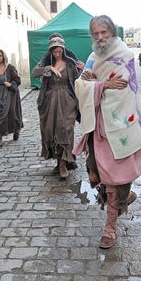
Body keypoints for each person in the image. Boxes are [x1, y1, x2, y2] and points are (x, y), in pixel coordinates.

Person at [74, 15, 141, 249]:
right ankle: (124, 199)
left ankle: (110, 228)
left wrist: (97, 83)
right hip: (98, 126)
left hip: (120, 125)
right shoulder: (93, 58)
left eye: (103, 32)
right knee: (96, 176)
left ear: (112, 32)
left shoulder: (124, 55)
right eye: (95, 33)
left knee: (115, 179)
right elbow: (81, 85)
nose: (99, 37)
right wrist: (99, 84)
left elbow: (123, 89)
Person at [32, 37, 85, 178]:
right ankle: (59, 163)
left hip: (67, 101)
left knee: (65, 130)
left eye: (59, 51)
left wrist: (84, 69)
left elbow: (80, 80)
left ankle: (64, 165)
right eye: (54, 52)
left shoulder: (70, 63)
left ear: (63, 50)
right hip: (50, 101)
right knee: (52, 130)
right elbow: (34, 72)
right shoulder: (47, 62)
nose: (57, 54)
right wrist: (49, 68)